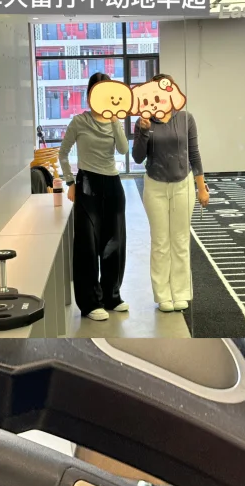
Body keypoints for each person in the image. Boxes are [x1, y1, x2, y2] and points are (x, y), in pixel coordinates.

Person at [131, 75, 210, 313]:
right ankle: (163, 294)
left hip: (183, 184)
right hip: (155, 185)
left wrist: (201, 187)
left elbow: (194, 154)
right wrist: (144, 131)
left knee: (180, 240)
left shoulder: (186, 118)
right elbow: (137, 157)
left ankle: (181, 293)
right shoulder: (144, 120)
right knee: (160, 242)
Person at [58, 72, 131, 322]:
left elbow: (123, 149)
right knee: (87, 245)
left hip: (113, 183)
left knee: (114, 243)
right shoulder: (79, 121)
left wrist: (115, 121)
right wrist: (70, 182)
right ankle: (90, 303)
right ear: (90, 95)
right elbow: (63, 153)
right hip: (87, 182)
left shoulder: (114, 121)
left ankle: (112, 296)